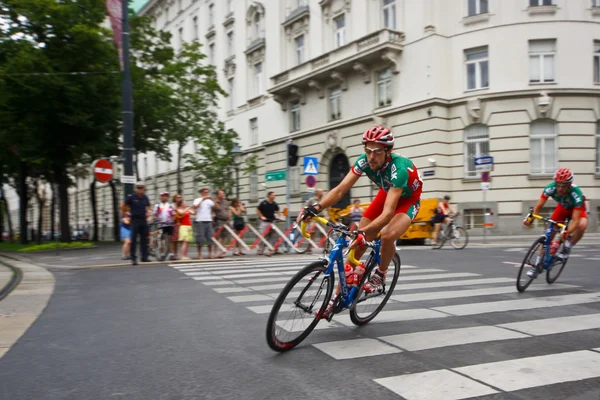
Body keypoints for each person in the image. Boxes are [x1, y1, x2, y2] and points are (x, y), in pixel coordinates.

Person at [297, 125, 422, 319]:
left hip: (407, 200)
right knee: (356, 244)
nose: (371, 157)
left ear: (388, 151)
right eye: (368, 150)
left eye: (377, 151)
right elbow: (340, 190)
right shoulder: (364, 161)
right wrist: (315, 208)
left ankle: (380, 273)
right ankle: (335, 299)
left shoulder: (400, 169)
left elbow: (388, 213)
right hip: (386, 193)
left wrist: (365, 232)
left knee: (387, 234)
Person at [524, 167, 588, 276]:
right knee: (548, 234)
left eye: (563, 185)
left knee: (582, 225)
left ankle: (567, 246)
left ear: (569, 184)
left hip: (576, 209)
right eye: (558, 184)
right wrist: (531, 218)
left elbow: (576, 220)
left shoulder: (576, 194)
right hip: (562, 208)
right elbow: (539, 205)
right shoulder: (550, 188)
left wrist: (566, 232)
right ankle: (537, 265)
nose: (560, 188)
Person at [122, 181, 151, 265]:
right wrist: (125, 215)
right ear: (136, 188)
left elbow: (149, 206)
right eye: (138, 188)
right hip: (135, 220)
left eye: (141, 187)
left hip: (143, 219)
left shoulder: (145, 197)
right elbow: (123, 205)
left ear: (144, 188)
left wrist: (148, 212)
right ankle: (133, 258)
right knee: (133, 239)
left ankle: (144, 257)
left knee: (144, 239)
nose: (140, 189)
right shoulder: (131, 197)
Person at [256, 191, 283, 257]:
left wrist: (280, 217)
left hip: (272, 221)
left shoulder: (274, 204)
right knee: (262, 235)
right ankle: (260, 248)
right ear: (269, 196)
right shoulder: (263, 203)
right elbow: (258, 210)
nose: (274, 196)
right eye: (273, 195)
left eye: (274, 195)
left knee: (274, 235)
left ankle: (273, 248)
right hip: (265, 222)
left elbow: (278, 211)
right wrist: (261, 216)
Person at [193, 187, 217, 260]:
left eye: (207, 192)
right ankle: (199, 254)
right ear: (201, 193)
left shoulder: (209, 201)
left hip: (208, 221)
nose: (206, 193)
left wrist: (212, 199)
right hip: (200, 221)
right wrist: (202, 200)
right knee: (200, 238)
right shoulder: (197, 200)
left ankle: (210, 254)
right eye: (205, 192)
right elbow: (195, 207)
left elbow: (216, 207)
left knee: (210, 238)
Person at [153, 191, 176, 260]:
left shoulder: (170, 205)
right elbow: (154, 215)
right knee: (161, 239)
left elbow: (174, 215)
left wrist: (172, 220)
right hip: (161, 225)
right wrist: (157, 220)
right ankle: (162, 253)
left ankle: (171, 254)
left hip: (169, 224)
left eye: (165, 196)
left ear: (167, 197)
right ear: (160, 197)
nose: (164, 197)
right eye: (162, 196)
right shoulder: (157, 206)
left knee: (170, 239)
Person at [212, 189, 230, 258]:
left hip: (225, 220)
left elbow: (227, 210)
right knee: (217, 237)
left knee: (223, 237)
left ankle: (222, 252)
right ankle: (215, 252)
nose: (223, 195)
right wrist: (212, 219)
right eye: (221, 194)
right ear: (218, 195)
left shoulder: (226, 202)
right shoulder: (215, 202)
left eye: (223, 193)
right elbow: (212, 211)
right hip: (218, 220)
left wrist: (229, 219)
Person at [170, 193, 183, 259]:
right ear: (175, 198)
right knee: (172, 240)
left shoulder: (181, 205)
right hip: (172, 223)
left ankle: (176, 254)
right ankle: (172, 254)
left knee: (177, 240)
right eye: (177, 197)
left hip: (179, 224)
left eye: (180, 197)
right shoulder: (172, 205)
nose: (179, 199)